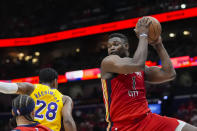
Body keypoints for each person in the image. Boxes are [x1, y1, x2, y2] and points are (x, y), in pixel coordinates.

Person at [100, 17, 197, 131]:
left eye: (116, 44)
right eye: (109, 46)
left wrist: (158, 45)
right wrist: (143, 35)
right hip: (123, 126)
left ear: (126, 46)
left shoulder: (141, 68)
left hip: (147, 120)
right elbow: (137, 64)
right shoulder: (108, 62)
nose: (112, 48)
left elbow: (169, 74)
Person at [0, 68, 77, 131]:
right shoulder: (65, 99)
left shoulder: (32, 88)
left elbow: (8, 88)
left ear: (39, 81)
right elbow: (67, 121)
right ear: (55, 82)